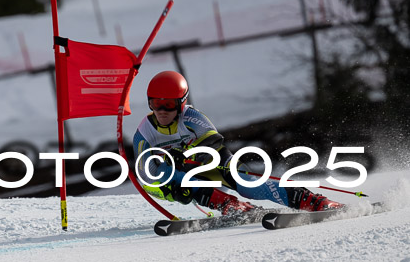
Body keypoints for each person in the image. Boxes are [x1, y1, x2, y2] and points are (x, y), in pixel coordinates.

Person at [133, 70, 343, 214]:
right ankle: (230, 205)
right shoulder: (144, 133)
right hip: (180, 177)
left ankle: (312, 201)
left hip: (209, 163)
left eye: (168, 104)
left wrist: (188, 156)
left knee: (247, 184)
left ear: (182, 102)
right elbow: (147, 177)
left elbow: (213, 144)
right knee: (173, 177)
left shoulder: (191, 117)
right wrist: (172, 192)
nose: (161, 111)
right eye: (155, 103)